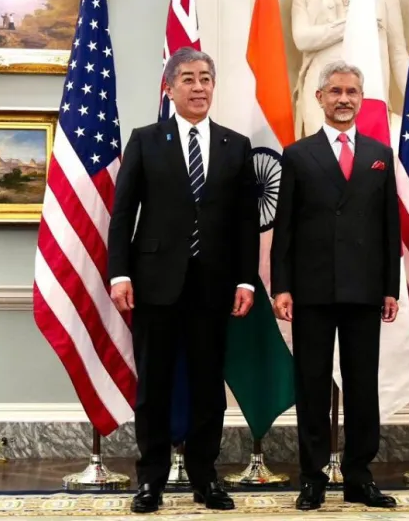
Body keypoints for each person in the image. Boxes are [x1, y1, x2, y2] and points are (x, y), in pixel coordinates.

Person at [107, 47, 259, 514]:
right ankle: (150, 480)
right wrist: (119, 273)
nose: (198, 87)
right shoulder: (146, 140)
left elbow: (245, 222)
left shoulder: (236, 145)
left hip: (213, 285)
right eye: (188, 79)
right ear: (169, 88)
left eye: (205, 78)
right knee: (154, 385)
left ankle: (204, 477)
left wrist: (246, 281)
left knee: (208, 386)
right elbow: (123, 213)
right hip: (154, 282)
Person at [270, 60, 400, 511]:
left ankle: (359, 476)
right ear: (320, 97)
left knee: (363, 386)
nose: (344, 99)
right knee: (311, 386)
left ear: (361, 98)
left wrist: (390, 287)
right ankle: (312, 478)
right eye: (336, 91)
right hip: (312, 291)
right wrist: (281, 286)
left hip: (365, 290)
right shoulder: (297, 154)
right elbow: (284, 228)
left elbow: (389, 228)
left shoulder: (379, 153)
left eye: (352, 91)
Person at [290, 0, 409, 137]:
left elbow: (398, 55)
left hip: (369, 92)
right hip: (321, 93)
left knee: (369, 148)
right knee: (321, 148)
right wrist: (354, 23)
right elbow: (302, 40)